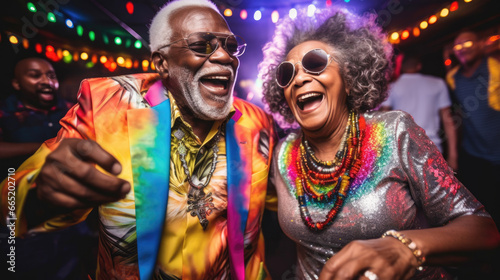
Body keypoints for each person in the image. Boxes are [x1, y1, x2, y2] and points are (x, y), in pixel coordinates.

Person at [0, 0, 276, 279]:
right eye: (202, 44)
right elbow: (8, 203)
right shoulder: (107, 107)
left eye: (230, 46)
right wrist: (38, 193)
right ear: (162, 63)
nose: (225, 57)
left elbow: (281, 196)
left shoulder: (255, 122)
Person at [259, 7, 500, 280]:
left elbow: (484, 230)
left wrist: (405, 249)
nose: (299, 78)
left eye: (315, 63)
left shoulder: (394, 133)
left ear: (348, 80)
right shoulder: (282, 154)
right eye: (287, 74)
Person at [0, 57, 97, 280]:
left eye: (51, 76)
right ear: (16, 83)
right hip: (20, 217)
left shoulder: (69, 110)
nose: (46, 81)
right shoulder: (5, 111)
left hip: (69, 218)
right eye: (35, 75)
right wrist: (45, 147)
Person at [445, 30, 500, 228]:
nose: (462, 49)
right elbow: (457, 114)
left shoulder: (496, 69)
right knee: (487, 208)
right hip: (475, 155)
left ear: (480, 44)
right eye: (458, 46)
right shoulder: (453, 78)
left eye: (468, 43)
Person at [380, 55, 458, 170]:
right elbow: (448, 121)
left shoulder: (391, 87)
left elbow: (383, 122)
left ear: (401, 67)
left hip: (402, 152)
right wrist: (453, 156)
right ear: (419, 66)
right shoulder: (437, 83)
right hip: (432, 150)